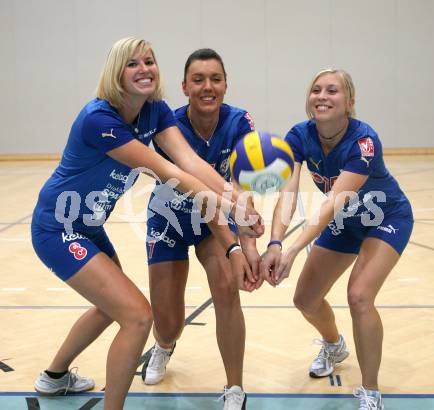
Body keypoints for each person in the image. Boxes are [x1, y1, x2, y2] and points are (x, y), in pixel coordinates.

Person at [31, 38, 262, 410]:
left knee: (112, 308)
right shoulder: (99, 120)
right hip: (57, 227)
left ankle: (54, 377)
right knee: (138, 317)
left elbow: (189, 161)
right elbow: (166, 170)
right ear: (116, 73)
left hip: (88, 227)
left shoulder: (154, 111)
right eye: (133, 63)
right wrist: (230, 208)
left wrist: (236, 201)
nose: (144, 69)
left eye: (150, 61)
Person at [260, 68, 413, 410]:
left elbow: (333, 202)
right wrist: (274, 244)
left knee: (359, 296)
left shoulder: (364, 141)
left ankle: (371, 391)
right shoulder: (298, 136)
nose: (322, 96)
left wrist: (295, 249)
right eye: (316, 89)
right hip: (348, 222)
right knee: (305, 299)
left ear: (350, 102)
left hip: (385, 219)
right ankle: (334, 344)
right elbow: (288, 193)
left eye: (333, 90)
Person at [143, 48, 262, 410]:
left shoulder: (241, 122)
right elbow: (203, 200)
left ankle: (235, 388)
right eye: (198, 80)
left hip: (216, 222)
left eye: (215, 79)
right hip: (170, 221)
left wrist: (250, 249)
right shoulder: (168, 129)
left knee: (228, 291)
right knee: (168, 322)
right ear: (184, 86)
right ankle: (163, 345)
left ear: (226, 84)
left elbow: (242, 191)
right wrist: (234, 247)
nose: (207, 87)